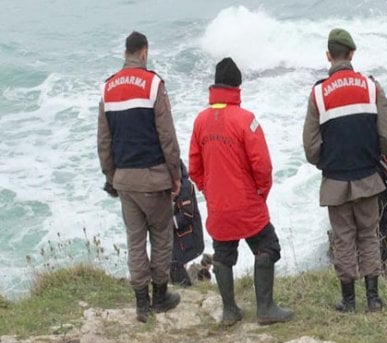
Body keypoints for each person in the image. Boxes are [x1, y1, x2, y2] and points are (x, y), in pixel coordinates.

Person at [189, 57, 293, 326]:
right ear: (238, 86)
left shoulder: (200, 121)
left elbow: (194, 167)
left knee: (223, 254)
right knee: (267, 246)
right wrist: (261, 193)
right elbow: (263, 166)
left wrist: (208, 191)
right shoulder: (246, 120)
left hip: (218, 205)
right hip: (247, 202)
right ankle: (266, 308)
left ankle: (229, 310)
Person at [303, 28, 387, 313]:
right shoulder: (371, 87)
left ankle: (348, 300)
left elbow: (310, 145)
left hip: (335, 179)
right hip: (368, 177)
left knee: (343, 238)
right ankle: (374, 299)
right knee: (368, 234)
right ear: (352, 54)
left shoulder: (318, 93)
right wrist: (377, 158)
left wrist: (325, 162)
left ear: (329, 56)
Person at [97, 31, 182, 323]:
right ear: (144, 52)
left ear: (126, 52)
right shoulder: (154, 84)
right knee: (160, 236)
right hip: (154, 177)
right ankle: (160, 296)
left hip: (125, 180)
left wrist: (112, 176)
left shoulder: (107, 88)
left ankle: (140, 305)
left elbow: (103, 141)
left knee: (135, 241)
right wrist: (176, 174)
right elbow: (167, 135)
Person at [170, 159, 205, 287]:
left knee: (174, 263)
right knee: (170, 263)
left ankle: (186, 290)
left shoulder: (184, 187)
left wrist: (166, 225)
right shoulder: (169, 186)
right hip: (178, 238)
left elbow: (187, 215)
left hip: (190, 239)